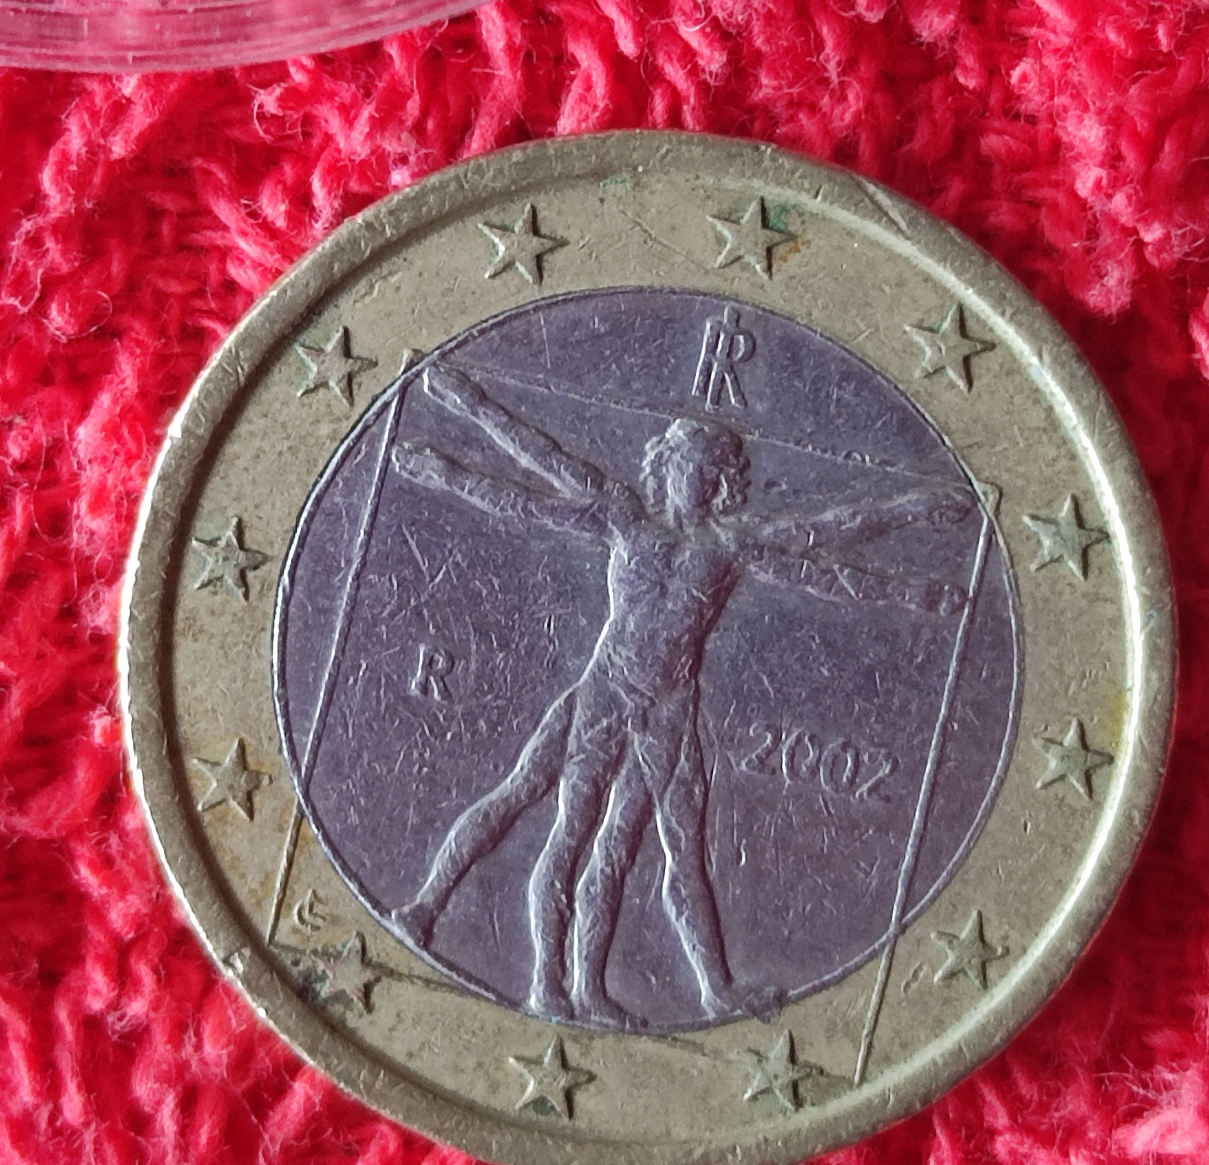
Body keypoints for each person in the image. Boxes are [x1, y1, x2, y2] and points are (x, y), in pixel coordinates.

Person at [389, 363, 971, 1025]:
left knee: (654, 848)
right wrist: (456, 430)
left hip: (668, 710)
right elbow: (535, 473)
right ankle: (475, 937)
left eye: (717, 473)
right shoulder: (623, 516)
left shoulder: (729, 546)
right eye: (696, 466)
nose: (708, 482)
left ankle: (671, 989)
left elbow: (823, 549)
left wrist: (915, 539)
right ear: (666, 466)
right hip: (606, 694)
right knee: (556, 819)